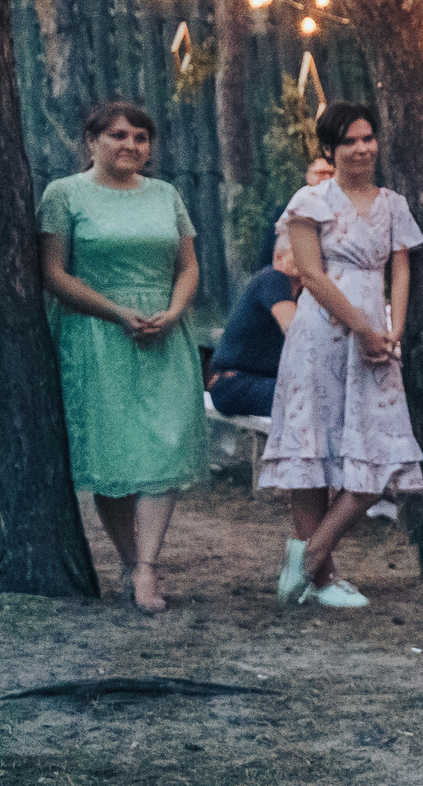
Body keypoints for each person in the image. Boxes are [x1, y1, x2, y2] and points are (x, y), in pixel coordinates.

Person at [38, 101, 208, 612]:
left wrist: (175, 311)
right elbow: (54, 272)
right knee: (112, 454)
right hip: (96, 332)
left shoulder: (166, 195)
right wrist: (116, 312)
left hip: (163, 330)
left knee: (164, 446)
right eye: (117, 135)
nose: (130, 145)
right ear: (91, 141)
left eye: (140, 136)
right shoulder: (64, 194)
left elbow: (188, 265)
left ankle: (148, 568)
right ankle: (131, 558)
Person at [260, 102, 423, 610]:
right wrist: (360, 326)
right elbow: (310, 273)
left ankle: (307, 556)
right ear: (329, 149)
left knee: (379, 451)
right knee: (313, 450)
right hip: (323, 330)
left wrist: (392, 328)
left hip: (376, 331)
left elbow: (400, 269)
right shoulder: (311, 200)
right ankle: (323, 579)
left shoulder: (393, 203)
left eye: (368, 138)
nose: (361, 148)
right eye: (349, 140)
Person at [206, 236, 303, 419]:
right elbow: (295, 330)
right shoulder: (273, 278)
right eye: (300, 251)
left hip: (260, 382)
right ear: (278, 258)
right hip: (234, 385)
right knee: (308, 398)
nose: (309, 257)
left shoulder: (302, 294)